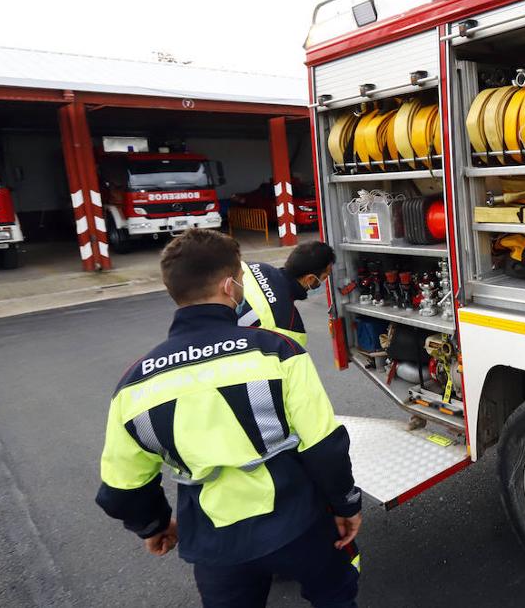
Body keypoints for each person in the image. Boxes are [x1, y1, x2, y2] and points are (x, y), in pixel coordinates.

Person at [96, 229, 363, 608]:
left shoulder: (134, 384)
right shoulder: (278, 351)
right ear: (228, 286)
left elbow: (121, 490)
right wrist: (346, 506)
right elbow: (324, 446)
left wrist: (155, 525)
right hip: (298, 526)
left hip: (214, 545)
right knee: (335, 596)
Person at [238, 240, 336, 347]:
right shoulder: (291, 328)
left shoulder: (251, 266)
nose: (324, 281)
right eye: (324, 277)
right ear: (310, 279)